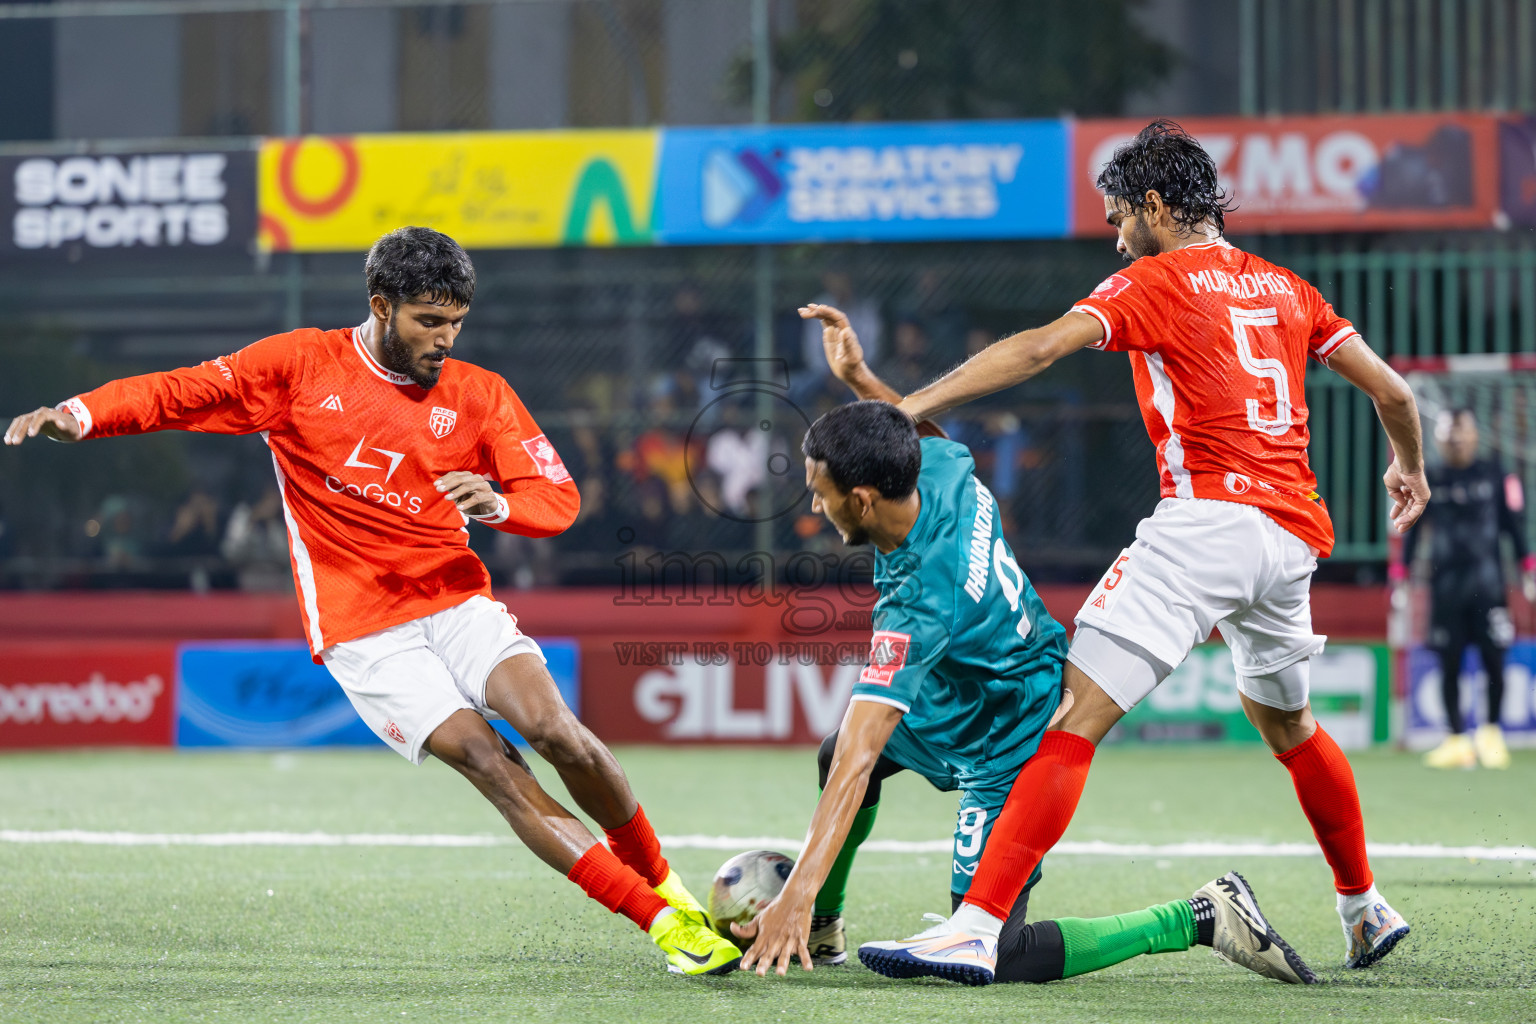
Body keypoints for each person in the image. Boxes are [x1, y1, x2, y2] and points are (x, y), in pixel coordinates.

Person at [3, 225, 741, 977]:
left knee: (560, 733)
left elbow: (557, 498)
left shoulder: (480, 394)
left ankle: (665, 883)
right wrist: (82, 413)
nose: (444, 338)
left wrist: (495, 504)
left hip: (454, 598)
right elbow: (179, 392)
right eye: (428, 321)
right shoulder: (299, 366)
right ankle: (663, 926)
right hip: (363, 627)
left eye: (455, 322)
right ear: (380, 305)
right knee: (491, 761)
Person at [853, 120, 1429, 984]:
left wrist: (908, 406)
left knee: (1068, 717)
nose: (1117, 235)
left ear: (1157, 207)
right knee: (1290, 726)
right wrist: (1408, 468)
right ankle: (1364, 906)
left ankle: (975, 926)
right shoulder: (1288, 289)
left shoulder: (1152, 281)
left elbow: (1039, 348)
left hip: (1204, 525)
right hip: (1291, 539)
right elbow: (1392, 391)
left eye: (1121, 215)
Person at [733, 309, 1317, 989]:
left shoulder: (920, 602)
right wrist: (861, 378)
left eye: (820, 492)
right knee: (834, 750)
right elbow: (905, 431)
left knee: (996, 950)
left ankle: (1200, 916)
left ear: (862, 500)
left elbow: (866, 753)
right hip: (965, 690)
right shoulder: (940, 466)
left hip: (1007, 730)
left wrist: (793, 891)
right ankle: (827, 928)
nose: (814, 506)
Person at [1400, 408, 1531, 770]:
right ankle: (1456, 739)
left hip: (1489, 587)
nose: (1455, 438)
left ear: (1475, 435)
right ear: (1438, 437)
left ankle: (1491, 735)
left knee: (1495, 660)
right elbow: (1411, 530)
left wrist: (1528, 565)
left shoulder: (1496, 475)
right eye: (1448, 432)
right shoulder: (1429, 478)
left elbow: (1513, 526)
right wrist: (1401, 573)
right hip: (1444, 588)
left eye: (1462, 430)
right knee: (1448, 662)